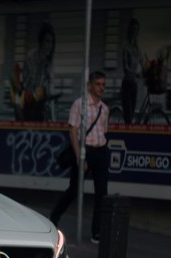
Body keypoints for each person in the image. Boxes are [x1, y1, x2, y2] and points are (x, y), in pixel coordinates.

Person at [50, 71, 109, 244]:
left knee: (102, 193)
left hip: (101, 151)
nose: (101, 88)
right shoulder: (80, 105)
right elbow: (73, 132)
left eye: (104, 84)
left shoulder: (104, 109)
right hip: (85, 150)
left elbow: (104, 131)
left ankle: (96, 232)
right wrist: (79, 156)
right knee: (74, 189)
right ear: (90, 85)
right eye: (98, 84)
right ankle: (54, 215)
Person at [19, 22, 56, 121]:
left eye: (52, 42)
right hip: (28, 104)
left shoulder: (48, 63)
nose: (50, 45)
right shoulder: (31, 57)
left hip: (41, 107)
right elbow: (27, 84)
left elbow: (49, 87)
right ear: (41, 42)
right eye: (47, 41)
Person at [120, 18, 143, 124]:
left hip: (134, 84)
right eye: (133, 29)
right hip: (127, 83)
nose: (135, 32)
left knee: (132, 113)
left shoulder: (137, 48)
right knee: (128, 116)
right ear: (129, 31)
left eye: (137, 30)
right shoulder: (126, 46)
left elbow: (142, 62)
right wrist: (135, 73)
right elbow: (125, 67)